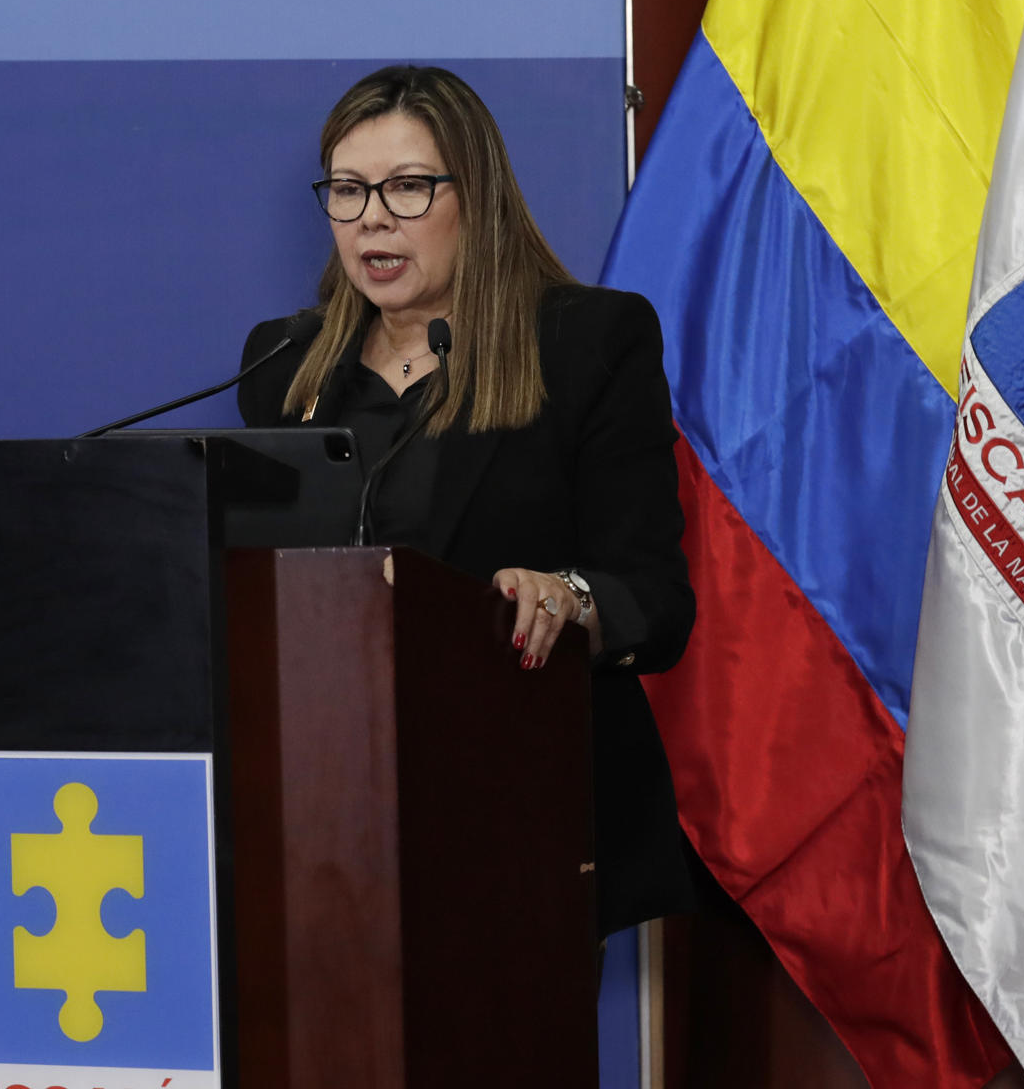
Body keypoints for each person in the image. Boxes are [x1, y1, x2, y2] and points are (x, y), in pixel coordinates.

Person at [236, 64, 696, 936]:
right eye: (347, 190)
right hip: (321, 814)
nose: (373, 216)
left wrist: (572, 597)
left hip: (517, 811)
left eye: (408, 187)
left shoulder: (584, 345)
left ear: (473, 199)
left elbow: (657, 599)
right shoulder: (284, 369)